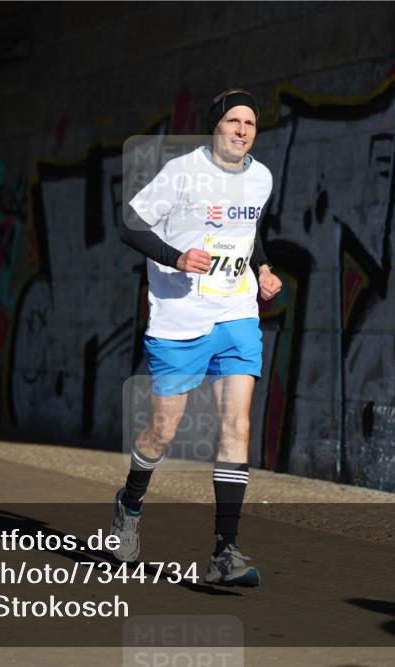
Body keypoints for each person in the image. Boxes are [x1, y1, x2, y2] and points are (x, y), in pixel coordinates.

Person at [111, 88, 282, 586]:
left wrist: (263, 268)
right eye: (233, 121)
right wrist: (176, 257)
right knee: (162, 431)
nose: (242, 130)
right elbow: (129, 225)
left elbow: (248, 232)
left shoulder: (261, 178)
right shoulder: (183, 172)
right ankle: (130, 505)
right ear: (216, 125)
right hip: (180, 318)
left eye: (250, 123)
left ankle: (226, 551)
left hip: (235, 313)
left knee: (237, 425)